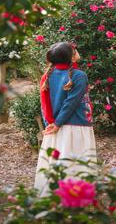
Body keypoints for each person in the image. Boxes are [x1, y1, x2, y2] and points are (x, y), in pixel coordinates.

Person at [34, 42, 97, 196]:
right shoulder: (79, 75)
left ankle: (54, 196)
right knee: (76, 162)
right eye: (74, 49)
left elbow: (44, 104)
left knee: (56, 163)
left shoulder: (47, 76)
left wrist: (50, 123)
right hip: (75, 126)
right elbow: (71, 103)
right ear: (71, 56)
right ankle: (74, 197)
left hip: (55, 127)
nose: (77, 50)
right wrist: (57, 123)